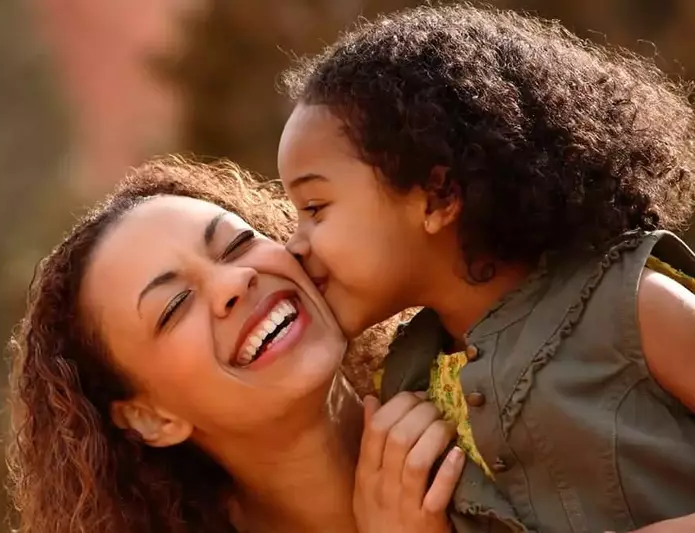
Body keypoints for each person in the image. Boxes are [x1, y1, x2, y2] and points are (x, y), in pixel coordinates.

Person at [278, 4, 695, 533]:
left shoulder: (630, 304)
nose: (293, 244)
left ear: (438, 196)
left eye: (314, 208)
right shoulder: (398, 400)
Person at [6, 156, 465, 533]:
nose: (234, 282)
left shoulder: (483, 370)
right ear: (151, 417)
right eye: (175, 306)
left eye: (237, 244)